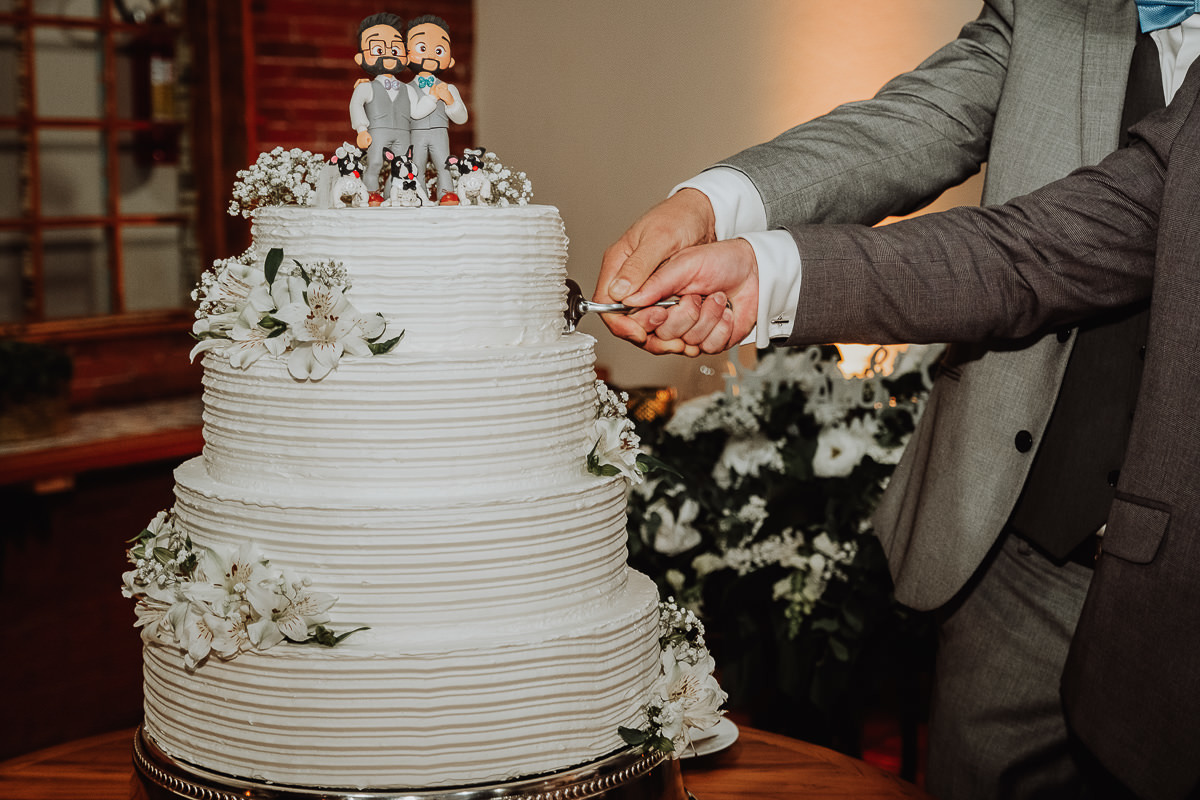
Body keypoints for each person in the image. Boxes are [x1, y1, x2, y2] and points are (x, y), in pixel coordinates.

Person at [596, 4, 1200, 798]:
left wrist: (769, 276)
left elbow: (1057, 247)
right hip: (1017, 556)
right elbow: (920, 129)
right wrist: (715, 210)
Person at [348, 13, 436, 195]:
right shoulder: (366, 87)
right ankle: (371, 196)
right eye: (379, 50)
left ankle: (392, 196)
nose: (388, 54)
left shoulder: (408, 89)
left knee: (403, 165)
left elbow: (417, 112)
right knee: (374, 163)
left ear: (405, 56)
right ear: (360, 58)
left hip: (403, 133)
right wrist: (361, 129)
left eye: (395, 49)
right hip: (377, 131)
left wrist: (433, 98)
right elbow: (355, 105)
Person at [405, 15, 468, 205]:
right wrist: (433, 97)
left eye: (439, 50)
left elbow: (462, 118)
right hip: (416, 133)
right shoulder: (407, 88)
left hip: (440, 132)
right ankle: (417, 194)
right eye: (422, 48)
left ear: (450, 60)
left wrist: (450, 101)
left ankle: (446, 193)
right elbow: (412, 113)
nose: (431, 55)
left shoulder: (448, 88)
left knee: (444, 164)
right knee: (416, 166)